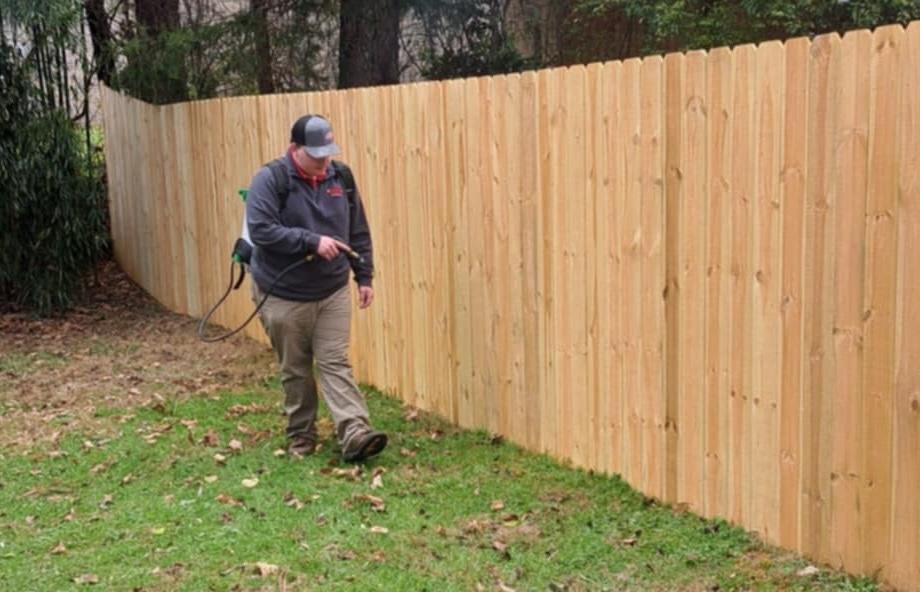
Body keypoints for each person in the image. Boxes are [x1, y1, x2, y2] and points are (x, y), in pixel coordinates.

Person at [245, 114, 386, 462]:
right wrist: (310, 241)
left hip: (332, 289)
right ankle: (301, 436)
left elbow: (357, 229)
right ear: (295, 149)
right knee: (296, 367)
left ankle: (355, 432)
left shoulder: (342, 177)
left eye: (328, 153)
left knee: (334, 361)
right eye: (316, 155)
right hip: (282, 292)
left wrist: (363, 275)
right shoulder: (271, 179)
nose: (324, 162)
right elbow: (261, 230)